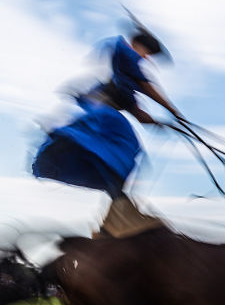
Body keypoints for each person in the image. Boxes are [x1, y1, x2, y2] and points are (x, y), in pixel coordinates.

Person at [32, 24, 185, 238]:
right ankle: (119, 213)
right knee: (124, 148)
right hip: (101, 114)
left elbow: (139, 114)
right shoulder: (126, 52)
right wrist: (173, 111)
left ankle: (115, 213)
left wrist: (164, 123)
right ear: (137, 45)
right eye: (148, 53)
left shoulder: (127, 78)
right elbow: (147, 87)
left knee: (123, 155)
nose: (147, 59)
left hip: (104, 115)